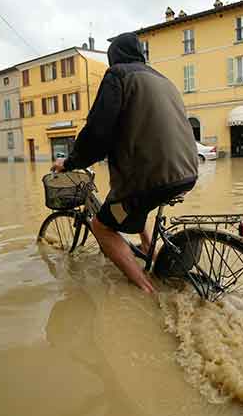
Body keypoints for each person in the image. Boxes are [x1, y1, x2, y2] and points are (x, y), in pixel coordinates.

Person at [52, 32, 198, 294]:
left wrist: (71, 162)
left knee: (102, 225)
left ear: (114, 57)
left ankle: (146, 289)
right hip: (187, 169)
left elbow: (98, 131)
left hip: (151, 174)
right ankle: (150, 252)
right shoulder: (163, 80)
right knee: (135, 205)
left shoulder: (117, 75)